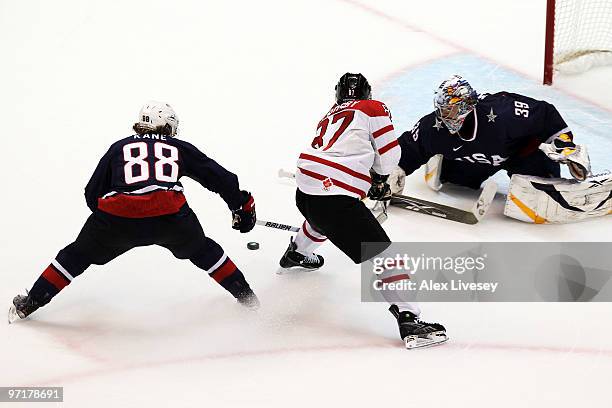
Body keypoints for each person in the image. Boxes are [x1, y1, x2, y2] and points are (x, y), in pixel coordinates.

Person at [9, 101, 259, 323]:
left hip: (117, 218)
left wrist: (105, 226)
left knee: (75, 256)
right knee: (205, 251)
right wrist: (240, 206)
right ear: (169, 126)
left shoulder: (119, 148)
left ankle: (31, 303)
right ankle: (249, 300)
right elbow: (221, 178)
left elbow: (92, 191)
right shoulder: (178, 147)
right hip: (170, 216)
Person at [278, 73, 447, 348]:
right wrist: (380, 179)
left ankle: (298, 252)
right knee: (384, 255)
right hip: (333, 196)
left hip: (305, 189)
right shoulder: (373, 107)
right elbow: (390, 152)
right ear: (367, 93)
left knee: (322, 220)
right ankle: (409, 318)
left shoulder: (330, 113)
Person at [389, 75, 591, 194]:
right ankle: (444, 163)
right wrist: (397, 169)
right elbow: (411, 144)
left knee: (536, 191)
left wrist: (565, 144)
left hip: (521, 152)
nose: (443, 116)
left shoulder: (504, 113)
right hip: (481, 156)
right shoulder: (434, 125)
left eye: (449, 110)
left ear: (465, 106)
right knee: (456, 180)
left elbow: (545, 114)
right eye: (441, 110)